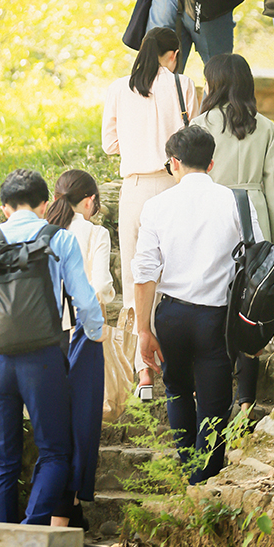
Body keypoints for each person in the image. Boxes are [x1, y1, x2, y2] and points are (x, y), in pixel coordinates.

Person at [0, 169, 103, 526]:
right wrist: (96, 331)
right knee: (56, 453)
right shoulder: (59, 239)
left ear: (4, 208)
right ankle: (29, 533)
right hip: (43, 360)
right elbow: (85, 300)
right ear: (45, 205)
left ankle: (3, 544)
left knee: (4, 460)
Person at [132, 125, 264, 484]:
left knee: (176, 389)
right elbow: (258, 259)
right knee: (214, 399)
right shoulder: (236, 201)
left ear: (174, 163)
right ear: (211, 163)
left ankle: (187, 459)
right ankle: (205, 475)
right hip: (217, 317)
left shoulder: (156, 206)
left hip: (172, 314)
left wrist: (143, 329)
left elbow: (144, 273)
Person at [102, 27, 198, 397]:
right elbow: (192, 137)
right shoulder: (182, 85)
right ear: (172, 55)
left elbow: (110, 144)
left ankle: (142, 372)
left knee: (134, 274)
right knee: (175, 274)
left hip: (136, 188)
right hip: (174, 184)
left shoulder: (117, 88)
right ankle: (176, 363)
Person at [191, 53, 274, 415]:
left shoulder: (199, 125)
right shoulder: (267, 127)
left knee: (213, 297)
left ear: (213, 84)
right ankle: (246, 397)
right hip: (253, 215)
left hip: (211, 214)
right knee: (250, 302)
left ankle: (211, 391)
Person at [45, 169, 115, 526]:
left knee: (54, 427)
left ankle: (67, 511)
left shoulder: (43, 234)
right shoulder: (95, 233)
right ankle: (62, 517)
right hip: (84, 336)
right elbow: (100, 284)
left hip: (45, 340)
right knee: (82, 426)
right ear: (89, 201)